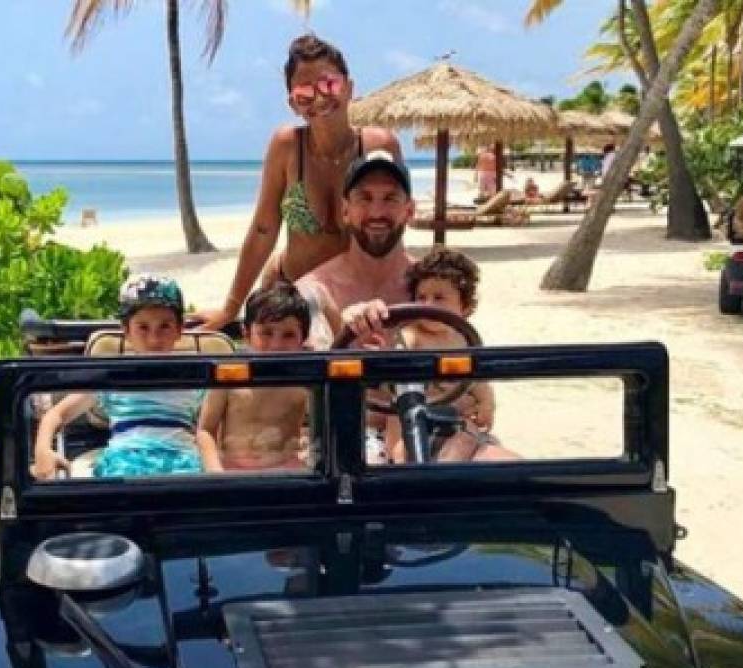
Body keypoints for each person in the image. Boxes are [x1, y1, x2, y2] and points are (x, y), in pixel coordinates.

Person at [201, 35, 401, 333]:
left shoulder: (377, 147)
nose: (319, 98)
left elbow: (393, 227)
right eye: (304, 91)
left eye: (328, 84)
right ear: (293, 103)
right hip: (294, 298)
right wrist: (231, 307)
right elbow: (263, 229)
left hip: (359, 299)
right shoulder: (287, 147)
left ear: (349, 88)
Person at [31, 275, 204, 480]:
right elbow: (56, 414)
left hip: (182, 464)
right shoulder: (112, 375)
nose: (154, 339)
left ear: (179, 330)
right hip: (125, 465)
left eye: (164, 326)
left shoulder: (195, 375)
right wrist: (42, 450)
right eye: (143, 327)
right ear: (126, 331)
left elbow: (213, 427)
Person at [383, 248, 517, 463]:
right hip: (413, 421)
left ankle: (443, 476)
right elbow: (396, 365)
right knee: (401, 450)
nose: (428, 306)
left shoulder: (464, 340)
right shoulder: (412, 337)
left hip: (454, 425)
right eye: (421, 298)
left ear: (464, 307)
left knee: (467, 436)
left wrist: (486, 405)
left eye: (439, 298)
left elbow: (479, 383)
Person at [295, 149, 416, 348]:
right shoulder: (316, 291)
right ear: (345, 210)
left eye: (390, 198)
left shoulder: (431, 288)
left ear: (409, 211)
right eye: (364, 198)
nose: (377, 212)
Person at [197, 284, 311, 472]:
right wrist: (215, 473)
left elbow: (322, 429)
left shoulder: (305, 382)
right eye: (266, 333)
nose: (276, 345)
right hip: (231, 470)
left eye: (288, 335)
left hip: (285, 471)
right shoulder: (229, 375)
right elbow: (205, 430)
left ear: (303, 339)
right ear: (246, 333)